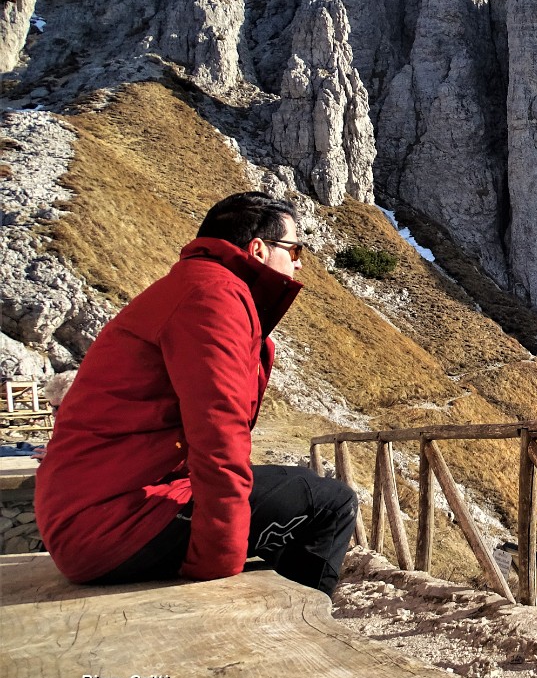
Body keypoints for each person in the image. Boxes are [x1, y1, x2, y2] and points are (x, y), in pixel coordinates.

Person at [35, 191, 358, 596]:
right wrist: (216, 558)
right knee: (330, 503)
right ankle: (293, 636)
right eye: (295, 249)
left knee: (296, 490)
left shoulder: (196, 285)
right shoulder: (213, 296)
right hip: (113, 523)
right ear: (258, 249)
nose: (297, 262)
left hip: (94, 508)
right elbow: (218, 430)